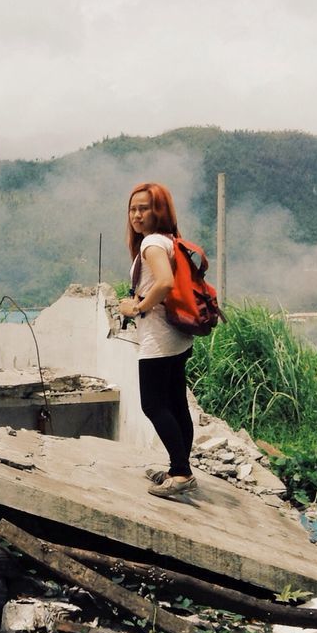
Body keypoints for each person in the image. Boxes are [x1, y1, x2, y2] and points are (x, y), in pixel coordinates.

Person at [117, 182, 196, 498]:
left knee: (152, 404)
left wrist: (135, 307)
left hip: (159, 338)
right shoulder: (168, 240)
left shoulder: (151, 243)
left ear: (158, 211)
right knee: (176, 403)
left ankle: (181, 473)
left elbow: (164, 282)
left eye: (144, 208)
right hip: (178, 335)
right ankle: (179, 466)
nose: (136, 215)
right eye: (132, 209)